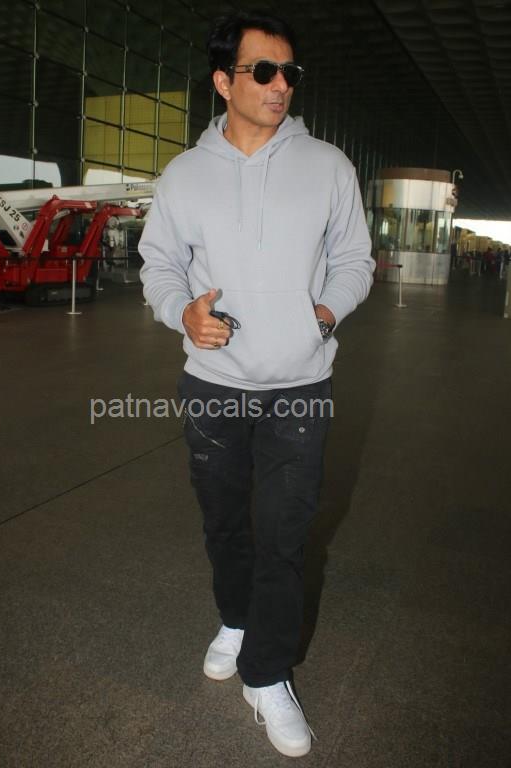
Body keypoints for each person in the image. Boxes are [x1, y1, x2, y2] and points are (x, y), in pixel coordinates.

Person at [139, 10, 374, 758]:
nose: (280, 85)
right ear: (223, 81)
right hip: (212, 385)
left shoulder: (328, 166)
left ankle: (266, 674)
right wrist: (181, 312)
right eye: (263, 71)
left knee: (283, 533)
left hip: (300, 387)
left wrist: (322, 315)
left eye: (289, 73)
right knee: (225, 526)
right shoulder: (184, 175)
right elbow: (159, 263)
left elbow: (355, 259)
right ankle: (236, 620)